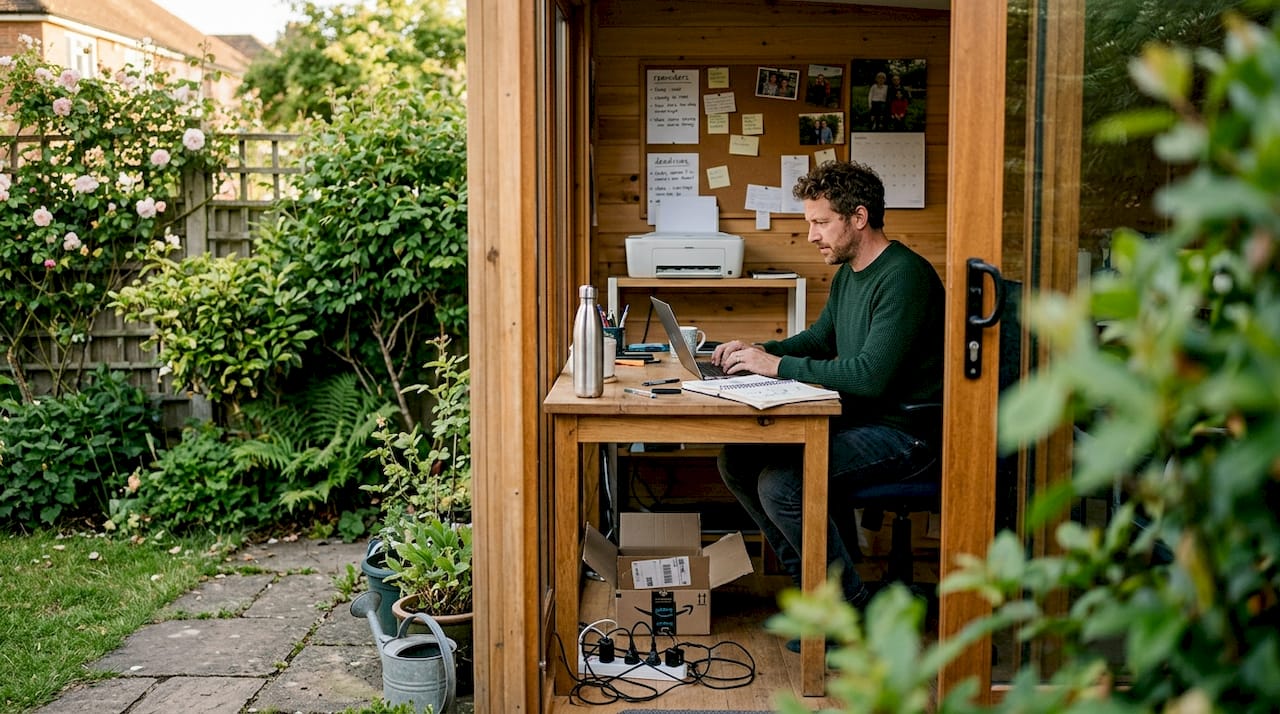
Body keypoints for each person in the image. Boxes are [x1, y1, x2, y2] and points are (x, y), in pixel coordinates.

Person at [711, 160, 944, 628]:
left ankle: (842, 610)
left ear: (858, 218)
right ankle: (817, 590)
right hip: (864, 419)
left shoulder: (904, 277)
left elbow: (869, 376)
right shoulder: (850, 274)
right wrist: (757, 351)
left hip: (908, 435)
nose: (812, 235)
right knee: (737, 460)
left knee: (781, 484)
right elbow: (820, 340)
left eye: (821, 223)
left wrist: (775, 366)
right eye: (810, 223)